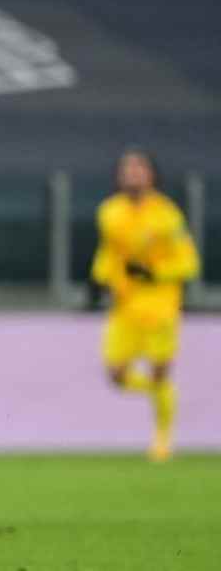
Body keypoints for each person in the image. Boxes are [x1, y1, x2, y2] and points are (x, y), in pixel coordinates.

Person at [90, 148, 198, 462]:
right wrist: (98, 279)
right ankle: (161, 393)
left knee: (160, 369)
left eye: (139, 169)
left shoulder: (167, 215)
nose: (132, 174)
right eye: (127, 169)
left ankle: (162, 440)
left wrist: (155, 273)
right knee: (115, 375)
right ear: (119, 176)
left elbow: (188, 263)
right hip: (125, 307)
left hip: (160, 306)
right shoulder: (109, 212)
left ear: (151, 175)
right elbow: (109, 255)